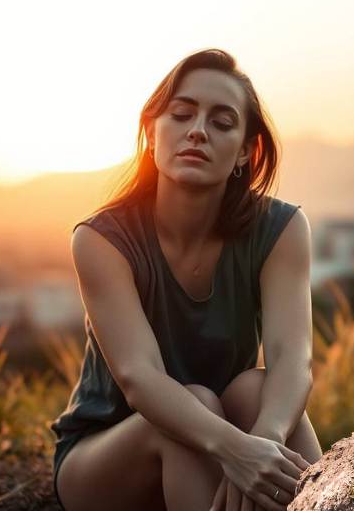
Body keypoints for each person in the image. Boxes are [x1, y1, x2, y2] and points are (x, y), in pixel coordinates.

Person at [51, 48, 323, 511]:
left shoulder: (281, 230)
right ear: (153, 132)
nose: (198, 130)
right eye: (181, 115)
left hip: (217, 439)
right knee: (189, 408)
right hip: (105, 460)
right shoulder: (101, 240)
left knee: (257, 391)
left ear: (245, 151)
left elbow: (290, 358)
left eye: (221, 122)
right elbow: (141, 379)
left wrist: (263, 440)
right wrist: (235, 450)